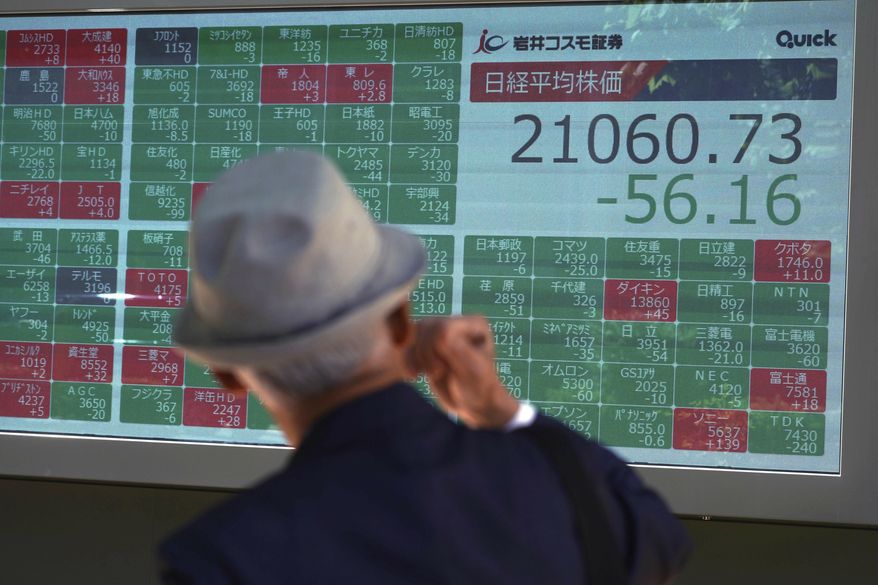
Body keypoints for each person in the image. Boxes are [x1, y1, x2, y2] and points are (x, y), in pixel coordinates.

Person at [160, 151, 691, 584]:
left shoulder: (223, 560)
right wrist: (499, 411)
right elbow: (658, 539)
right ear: (400, 320)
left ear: (226, 373)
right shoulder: (560, 489)